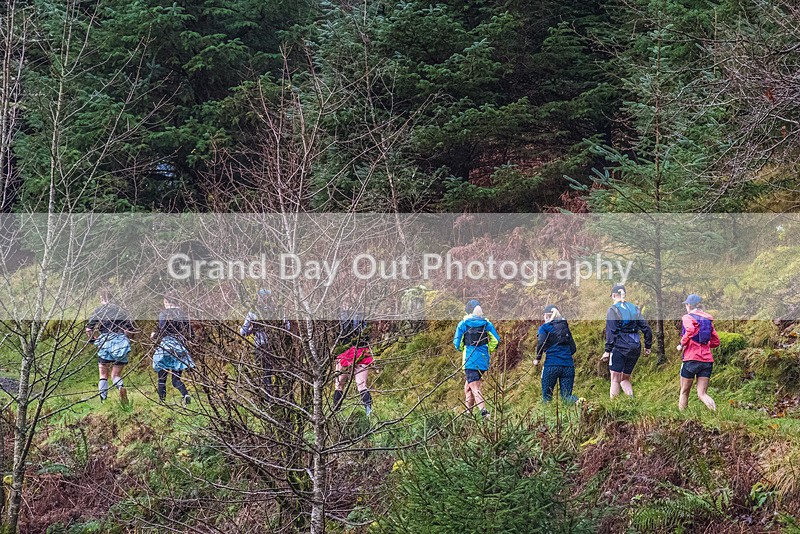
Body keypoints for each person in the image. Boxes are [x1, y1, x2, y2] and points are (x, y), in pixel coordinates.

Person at [601, 284, 653, 399]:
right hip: (635, 346)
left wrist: (607, 350)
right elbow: (646, 328)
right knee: (625, 378)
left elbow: (611, 331)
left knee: (615, 378)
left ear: (614, 295)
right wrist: (648, 346)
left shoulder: (613, 310)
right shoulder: (634, 308)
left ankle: (613, 407)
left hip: (619, 347)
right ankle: (631, 402)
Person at [453, 299, 500, 419]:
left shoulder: (463, 324)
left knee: (474, 387)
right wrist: (488, 350)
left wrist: (463, 348)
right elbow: (496, 340)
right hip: (483, 360)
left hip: (470, 360)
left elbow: (457, 343)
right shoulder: (486, 324)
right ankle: (468, 414)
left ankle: (484, 412)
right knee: (468, 387)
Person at [86, 288, 135, 404]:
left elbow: (89, 329)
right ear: (113, 297)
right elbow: (130, 330)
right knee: (115, 374)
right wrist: (127, 339)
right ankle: (120, 387)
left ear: (101, 298)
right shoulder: (121, 311)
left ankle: (103, 401)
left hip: (105, 341)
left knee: (103, 374)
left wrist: (93, 340)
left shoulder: (98, 311)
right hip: (120, 342)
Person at [151, 292, 195, 405]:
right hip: (179, 346)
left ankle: (162, 402)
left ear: (166, 301)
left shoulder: (163, 314)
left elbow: (162, 330)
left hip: (166, 346)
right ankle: (186, 395)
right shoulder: (183, 314)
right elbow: (190, 332)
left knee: (162, 378)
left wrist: (154, 335)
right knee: (176, 380)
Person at [677, 294, 720, 411]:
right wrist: (704, 345)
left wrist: (682, 344)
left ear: (689, 305)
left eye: (686, 304)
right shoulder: (708, 320)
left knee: (684, 391)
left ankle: (681, 418)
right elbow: (716, 341)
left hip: (691, 358)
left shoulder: (687, 317)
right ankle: (716, 413)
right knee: (702, 394)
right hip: (707, 360)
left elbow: (690, 330)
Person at [333, 308, 374, 415]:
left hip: (346, 351)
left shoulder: (342, 313)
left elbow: (339, 334)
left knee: (339, 384)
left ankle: (335, 414)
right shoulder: (363, 313)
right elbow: (366, 334)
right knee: (362, 385)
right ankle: (369, 413)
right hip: (361, 350)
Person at [533, 305, 578, 403]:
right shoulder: (565, 328)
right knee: (566, 397)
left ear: (546, 316)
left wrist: (537, 359)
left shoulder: (544, 327)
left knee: (547, 398)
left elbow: (541, 342)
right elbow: (573, 349)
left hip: (551, 366)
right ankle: (579, 402)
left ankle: (547, 417)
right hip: (568, 366)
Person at [240, 289, 280, 395]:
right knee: (278, 372)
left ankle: (269, 397)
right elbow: (287, 326)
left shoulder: (252, 313)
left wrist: (252, 330)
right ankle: (278, 395)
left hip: (261, 345)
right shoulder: (276, 310)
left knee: (266, 372)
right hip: (277, 345)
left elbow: (242, 331)